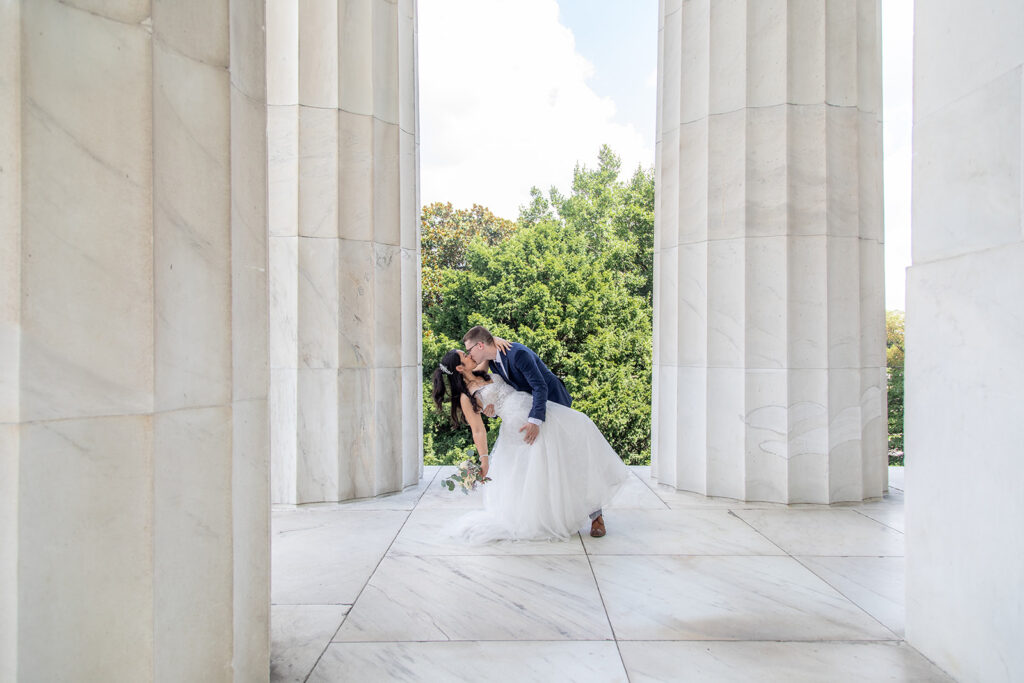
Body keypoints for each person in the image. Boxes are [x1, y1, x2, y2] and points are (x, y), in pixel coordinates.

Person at [431, 342, 630, 542]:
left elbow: (487, 346)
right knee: (542, 472)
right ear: (459, 368)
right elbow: (477, 429)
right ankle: (552, 516)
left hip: (540, 413)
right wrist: (484, 458)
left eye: (467, 351)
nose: (469, 355)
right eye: (464, 356)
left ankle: (597, 514)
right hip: (519, 431)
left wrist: (497, 338)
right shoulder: (466, 397)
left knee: (575, 446)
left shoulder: (482, 367)